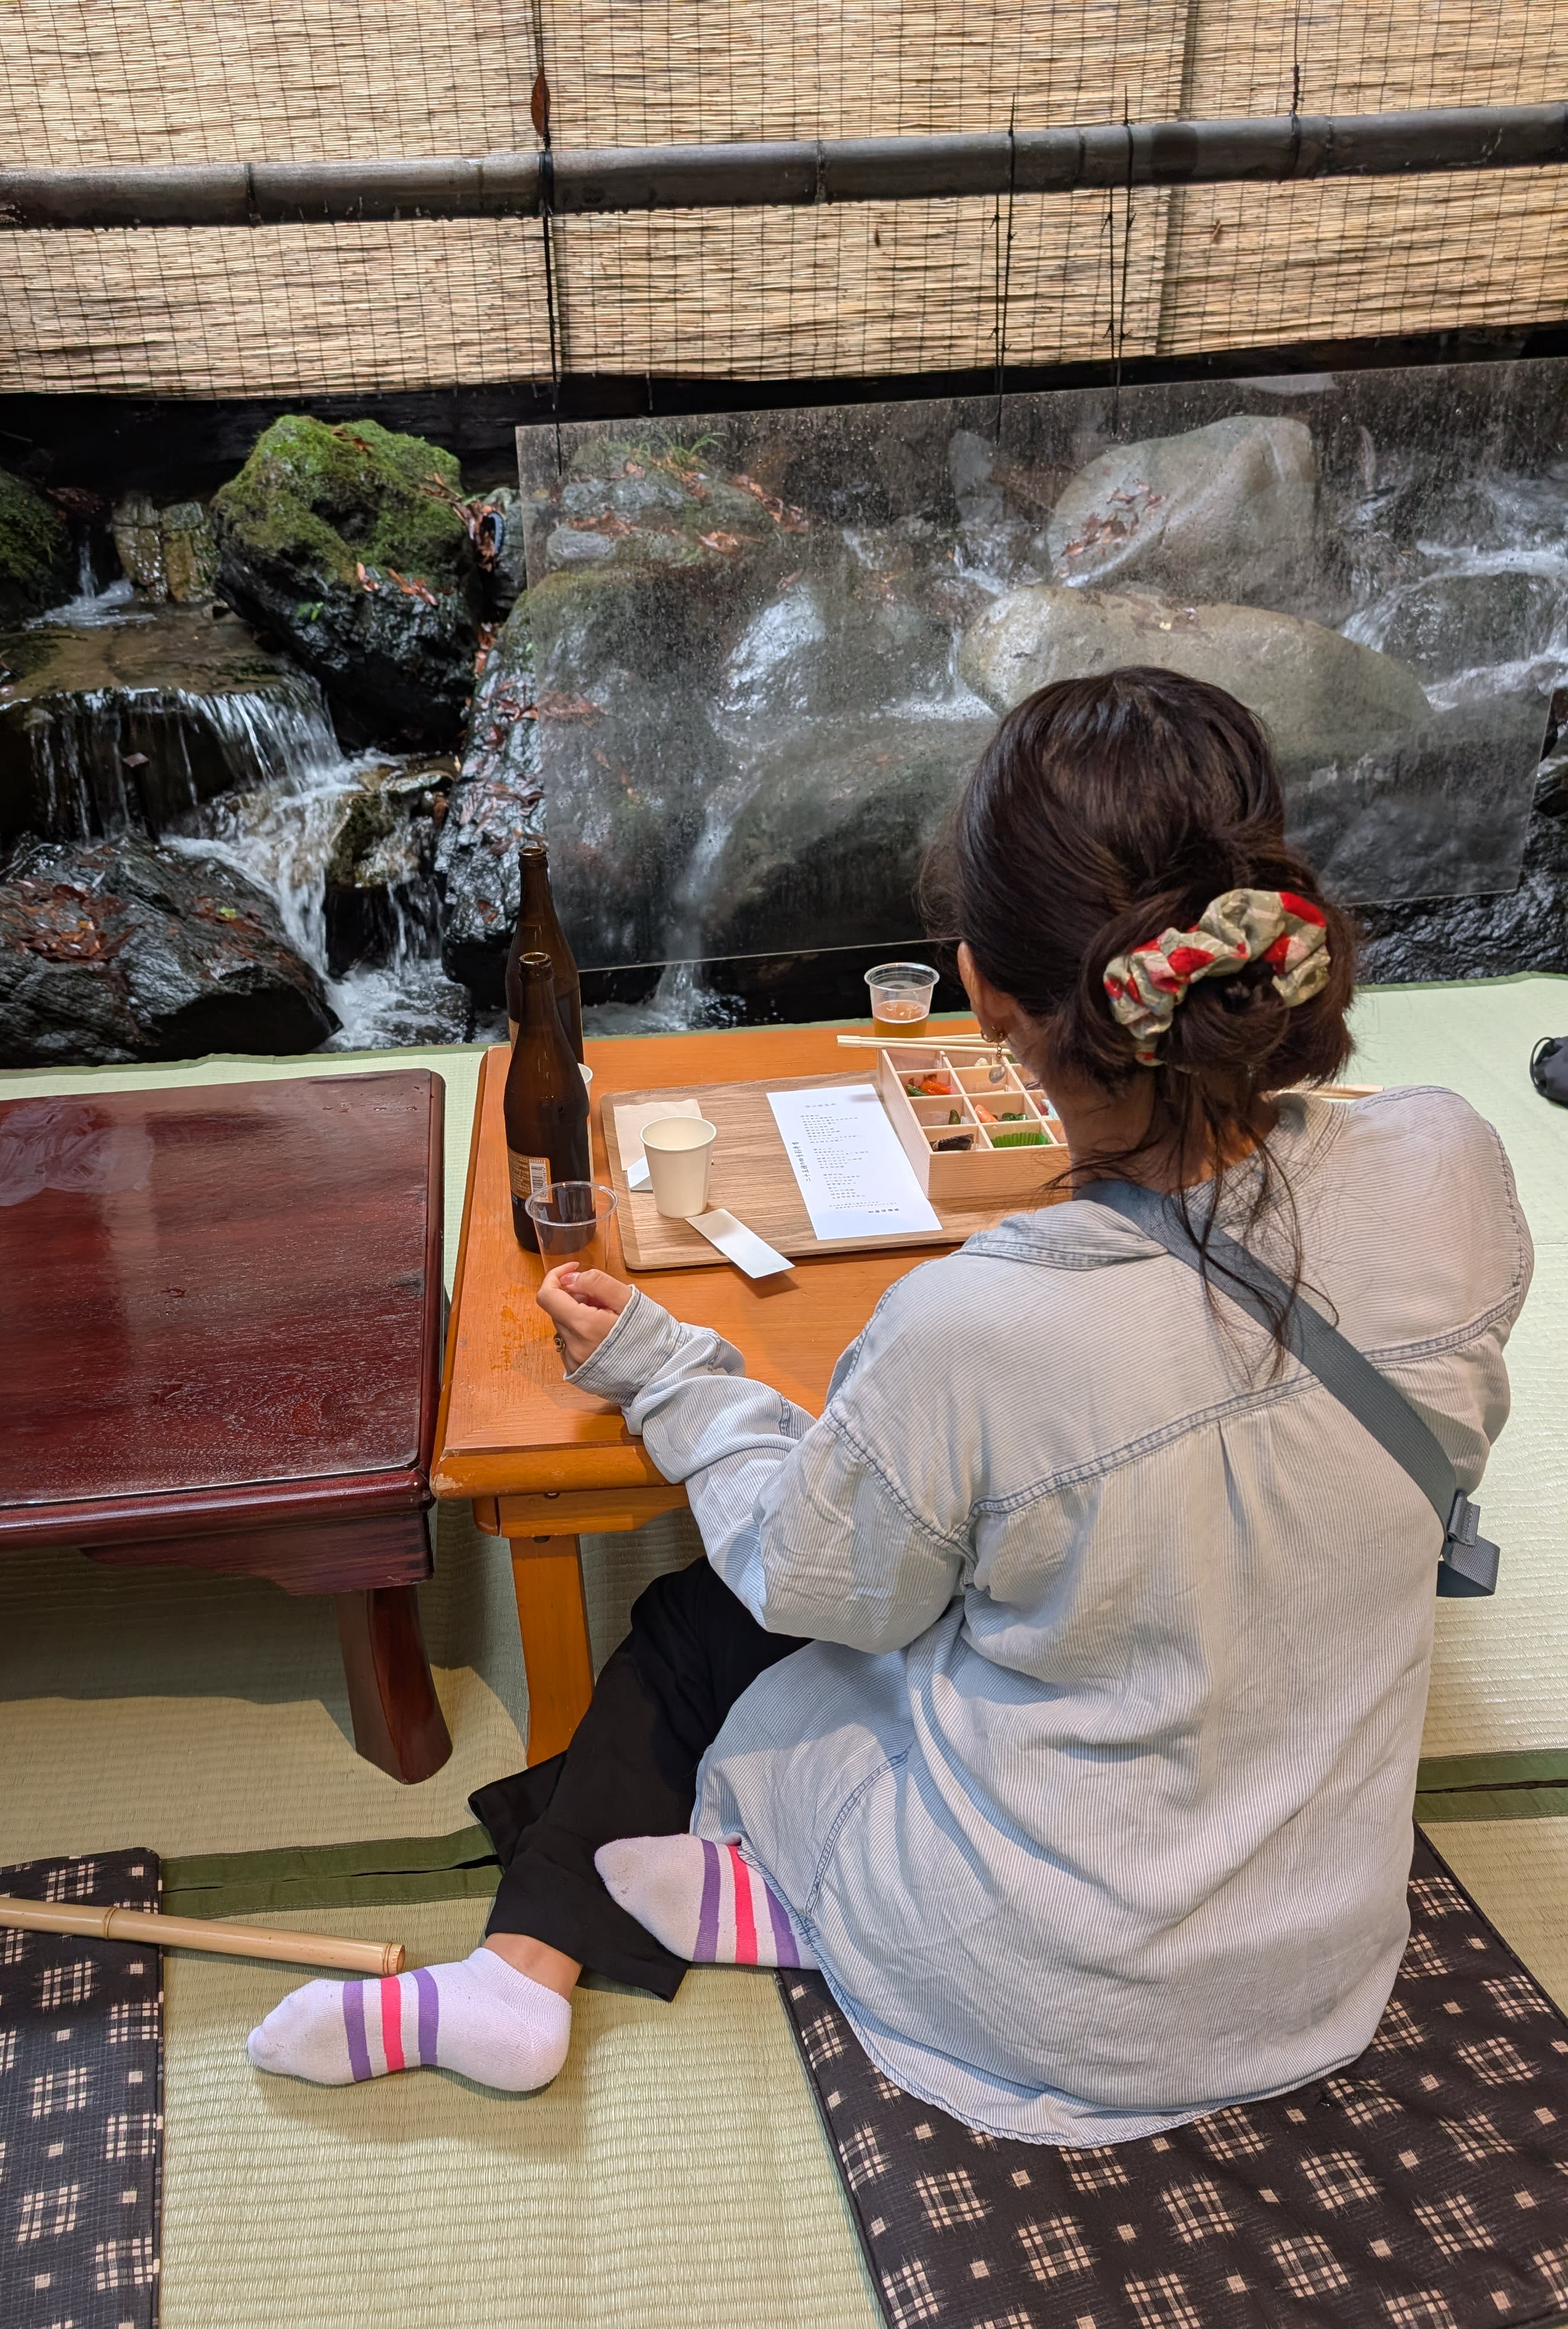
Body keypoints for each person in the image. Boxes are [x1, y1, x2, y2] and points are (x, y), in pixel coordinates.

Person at [248, 668, 1531, 2141]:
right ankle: (702, 1908)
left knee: (707, 1620)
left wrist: (673, 1373)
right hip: (1320, 1963)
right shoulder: (1456, 1165)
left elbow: (815, 1579)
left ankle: (607, 1943)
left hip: (1042, 1988)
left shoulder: (975, 1330)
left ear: (982, 991)